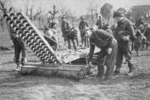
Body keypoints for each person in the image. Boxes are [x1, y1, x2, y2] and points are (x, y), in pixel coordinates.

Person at [113, 11, 137, 76]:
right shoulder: (118, 24)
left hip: (126, 43)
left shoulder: (128, 23)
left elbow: (132, 34)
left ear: (121, 17)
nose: (116, 20)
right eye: (116, 18)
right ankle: (117, 70)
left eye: (117, 18)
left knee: (128, 56)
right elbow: (115, 33)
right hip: (119, 42)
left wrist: (123, 33)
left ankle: (131, 69)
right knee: (118, 56)